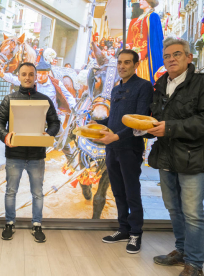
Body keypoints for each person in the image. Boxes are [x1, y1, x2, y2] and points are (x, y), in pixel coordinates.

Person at [146, 37, 204, 276]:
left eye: (177, 54)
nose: (171, 59)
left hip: (192, 159)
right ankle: (181, 251)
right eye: (167, 56)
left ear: (189, 57)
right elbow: (155, 117)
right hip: (165, 158)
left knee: (193, 213)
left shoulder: (200, 84)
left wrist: (169, 128)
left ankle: (196, 263)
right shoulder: (160, 84)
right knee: (174, 209)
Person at [89, 49, 153, 254]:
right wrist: (97, 123)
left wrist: (116, 136)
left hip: (130, 148)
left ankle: (136, 233)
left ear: (135, 65)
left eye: (127, 62)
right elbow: (114, 120)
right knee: (117, 192)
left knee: (132, 192)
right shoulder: (116, 90)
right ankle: (123, 229)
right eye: (119, 62)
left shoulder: (144, 87)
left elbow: (141, 121)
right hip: (112, 149)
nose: (122, 66)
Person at [0, 62, 60, 243]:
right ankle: (9, 222)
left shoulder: (44, 99)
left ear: (36, 76)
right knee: (11, 191)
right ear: (19, 76)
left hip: (36, 155)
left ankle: (37, 224)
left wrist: (50, 133)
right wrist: (5, 136)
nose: (27, 77)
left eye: (31, 74)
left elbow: (55, 122)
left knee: (37, 193)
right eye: (24, 74)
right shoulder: (9, 99)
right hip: (14, 154)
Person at [126, 0, 163, 84]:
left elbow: (154, 40)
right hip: (135, 57)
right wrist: (130, 46)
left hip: (145, 59)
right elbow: (137, 38)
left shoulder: (153, 16)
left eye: (143, 0)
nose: (140, 1)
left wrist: (142, 53)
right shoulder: (140, 18)